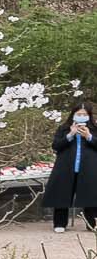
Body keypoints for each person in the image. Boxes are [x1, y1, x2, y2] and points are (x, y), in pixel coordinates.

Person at [47, 98, 97, 231]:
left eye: (84, 114)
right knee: (62, 194)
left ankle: (92, 224)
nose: (81, 117)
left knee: (90, 194)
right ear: (73, 114)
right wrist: (70, 134)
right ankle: (60, 224)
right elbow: (56, 145)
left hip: (88, 167)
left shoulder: (94, 129)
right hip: (66, 166)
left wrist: (89, 136)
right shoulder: (64, 128)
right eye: (79, 114)